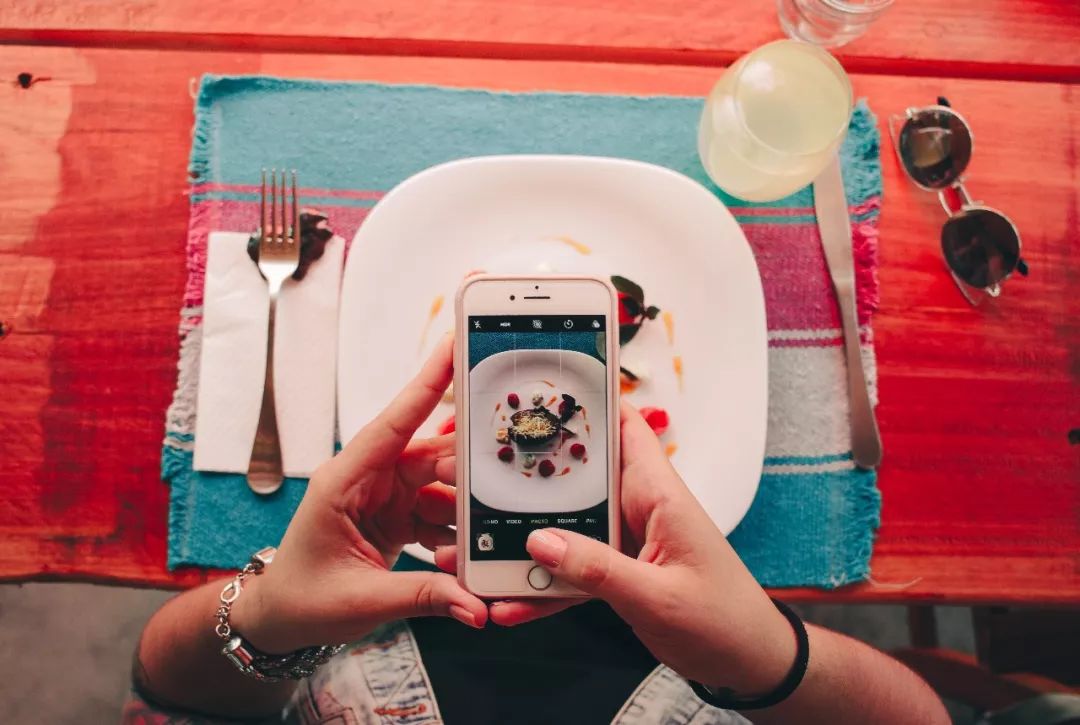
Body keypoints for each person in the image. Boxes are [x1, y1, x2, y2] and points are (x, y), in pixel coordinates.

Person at [127, 337, 948, 724]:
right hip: (680, 632)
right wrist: (767, 655)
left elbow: (164, 681)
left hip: (381, 611)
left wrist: (271, 613)